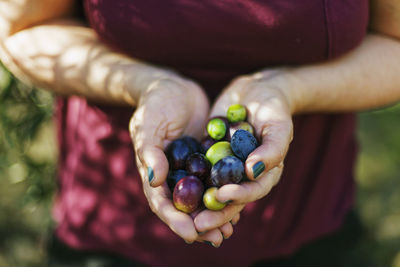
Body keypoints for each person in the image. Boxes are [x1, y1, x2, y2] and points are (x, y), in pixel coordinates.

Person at [0, 0, 399, 266]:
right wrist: (143, 83)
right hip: (111, 235)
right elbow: (17, 30)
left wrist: (288, 89)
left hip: (310, 228)